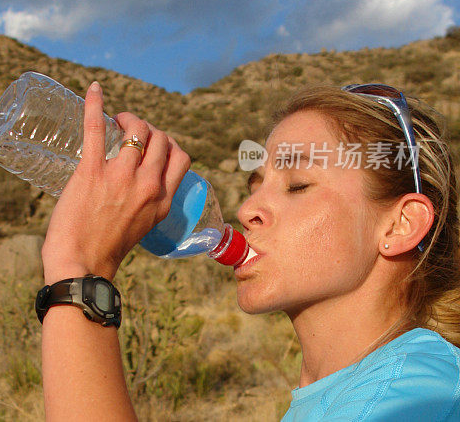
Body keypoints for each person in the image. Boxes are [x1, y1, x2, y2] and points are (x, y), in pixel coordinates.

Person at [39, 81, 460, 421]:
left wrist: (80, 268)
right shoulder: (351, 391)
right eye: (253, 186)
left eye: (297, 185)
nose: (246, 211)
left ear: (401, 225)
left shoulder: (417, 394)